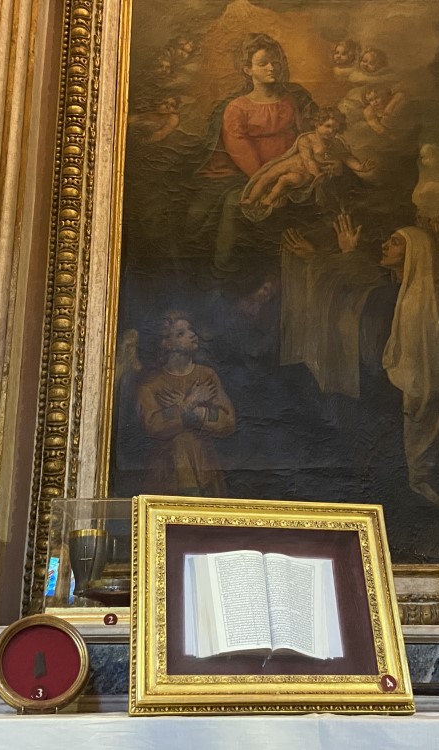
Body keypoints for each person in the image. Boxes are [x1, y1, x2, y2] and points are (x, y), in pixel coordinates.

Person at [190, 33, 317, 270]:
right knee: (233, 203)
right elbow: (240, 150)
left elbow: (309, 135)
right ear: (248, 70)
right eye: (263, 63)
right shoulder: (237, 108)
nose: (272, 68)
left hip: (294, 168)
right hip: (253, 175)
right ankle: (223, 268)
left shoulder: (292, 100)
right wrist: (268, 182)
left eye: (275, 62)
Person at [380, 226, 439, 508]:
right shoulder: (396, 295)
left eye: (395, 242)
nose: (385, 246)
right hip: (406, 389)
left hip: (433, 389)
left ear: (416, 253)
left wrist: (424, 385)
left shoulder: (437, 301)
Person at [136, 312, 236, 496]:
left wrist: (196, 412)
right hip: (169, 472)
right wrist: (188, 404)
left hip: (205, 466)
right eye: (181, 333)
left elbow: (228, 421)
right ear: (166, 343)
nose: (192, 335)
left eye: (191, 329)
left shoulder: (207, 376)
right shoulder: (152, 384)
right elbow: (153, 424)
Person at [240, 108, 373, 221]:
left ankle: (268, 201)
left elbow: (347, 158)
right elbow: (308, 159)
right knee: (267, 176)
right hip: (294, 164)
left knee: (284, 180)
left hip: (307, 175)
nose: (331, 132)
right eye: (328, 126)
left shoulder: (336, 144)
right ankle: (250, 199)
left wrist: (360, 167)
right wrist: (317, 171)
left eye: (335, 130)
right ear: (317, 124)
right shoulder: (306, 139)